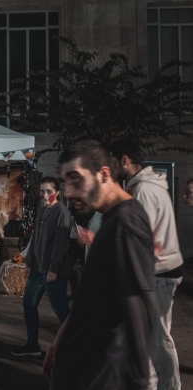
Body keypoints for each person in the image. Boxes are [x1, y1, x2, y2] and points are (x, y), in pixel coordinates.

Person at [44, 140, 155, 390]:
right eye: (64, 183)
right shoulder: (111, 218)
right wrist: (61, 339)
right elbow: (96, 295)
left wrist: (138, 381)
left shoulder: (126, 224)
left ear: (104, 174)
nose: (68, 193)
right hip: (82, 368)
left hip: (99, 375)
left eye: (75, 179)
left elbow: (139, 308)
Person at [110, 139, 183, 390]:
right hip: (161, 269)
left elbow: (143, 237)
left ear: (125, 161)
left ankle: (169, 387)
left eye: (113, 160)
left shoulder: (143, 191)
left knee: (158, 337)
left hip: (159, 271)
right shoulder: (146, 187)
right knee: (153, 336)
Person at [11, 177, 71, 357]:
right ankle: (32, 345)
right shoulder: (42, 211)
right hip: (38, 268)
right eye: (42, 191)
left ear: (57, 193)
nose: (44, 195)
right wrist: (29, 263)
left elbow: (60, 243)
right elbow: (35, 239)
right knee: (28, 303)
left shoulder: (61, 212)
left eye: (48, 191)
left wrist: (54, 268)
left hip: (52, 270)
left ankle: (75, 348)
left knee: (61, 310)